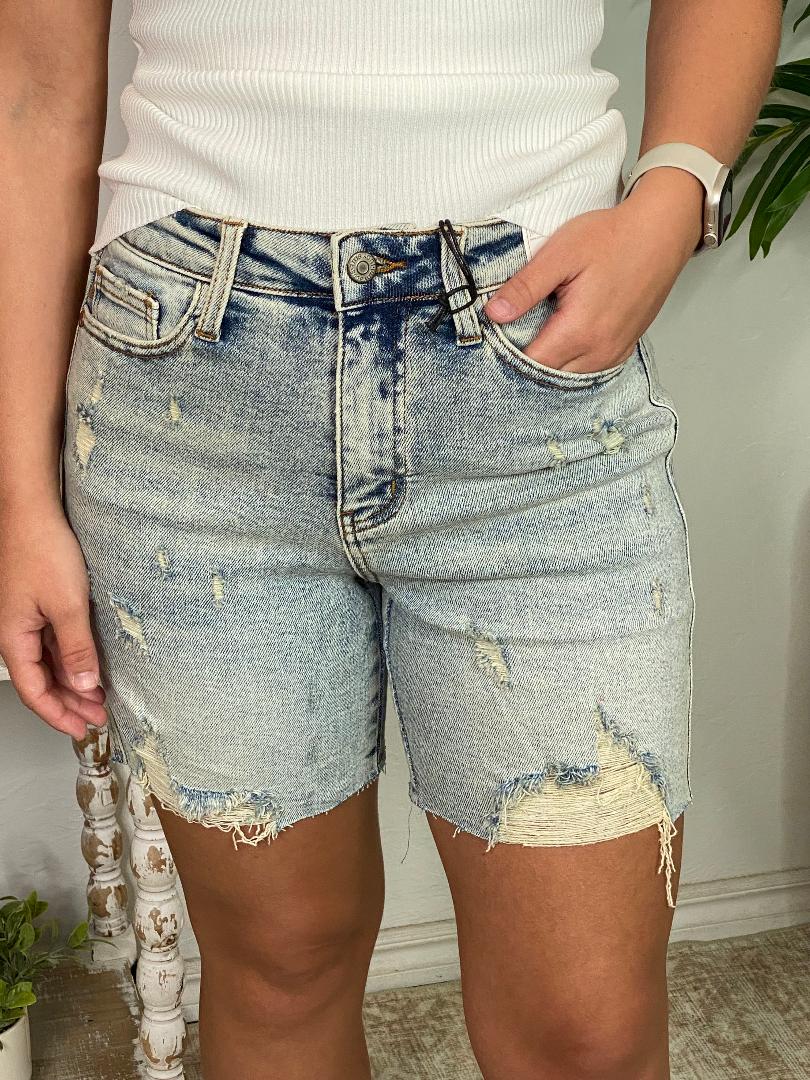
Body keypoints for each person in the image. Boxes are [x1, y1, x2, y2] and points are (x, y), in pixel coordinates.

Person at [0, 2, 781, 1077]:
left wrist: (678, 189)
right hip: (188, 393)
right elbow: (31, 90)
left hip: (530, 369)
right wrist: (19, 500)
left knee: (586, 1034)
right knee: (277, 969)